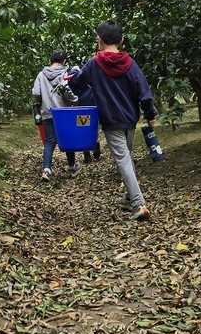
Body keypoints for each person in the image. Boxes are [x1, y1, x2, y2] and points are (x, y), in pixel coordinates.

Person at [66, 20, 157, 221]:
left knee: (123, 159)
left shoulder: (94, 63)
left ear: (99, 40)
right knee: (127, 157)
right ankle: (128, 197)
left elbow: (77, 84)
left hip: (111, 120)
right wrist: (150, 115)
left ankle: (138, 203)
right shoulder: (131, 63)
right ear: (122, 40)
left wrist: (73, 73)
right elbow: (145, 93)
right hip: (130, 119)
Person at [32, 50, 81, 182]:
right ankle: (72, 167)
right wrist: (74, 99)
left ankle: (46, 169)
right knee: (67, 139)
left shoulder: (41, 75)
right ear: (64, 61)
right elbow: (65, 89)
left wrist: (42, 100)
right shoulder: (65, 73)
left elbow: (36, 93)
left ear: (50, 61)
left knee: (49, 141)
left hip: (48, 112)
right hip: (63, 112)